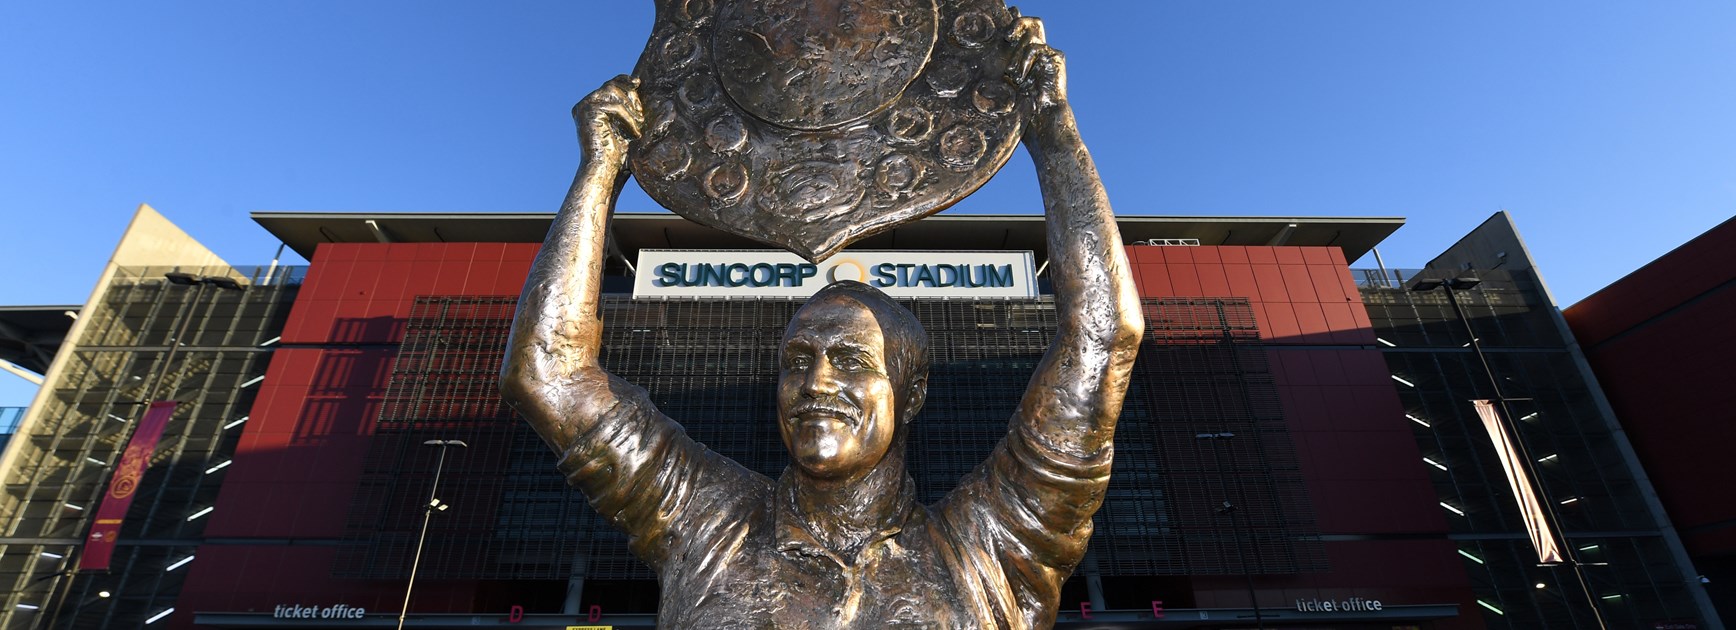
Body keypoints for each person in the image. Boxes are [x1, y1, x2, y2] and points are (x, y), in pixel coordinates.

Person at [500, 17, 1142, 629]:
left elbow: (1104, 339)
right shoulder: (704, 523)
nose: (816, 382)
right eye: (797, 360)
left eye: (853, 360)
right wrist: (599, 169)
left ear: (911, 392)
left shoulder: (989, 550)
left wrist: (1055, 136)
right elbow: (548, 374)